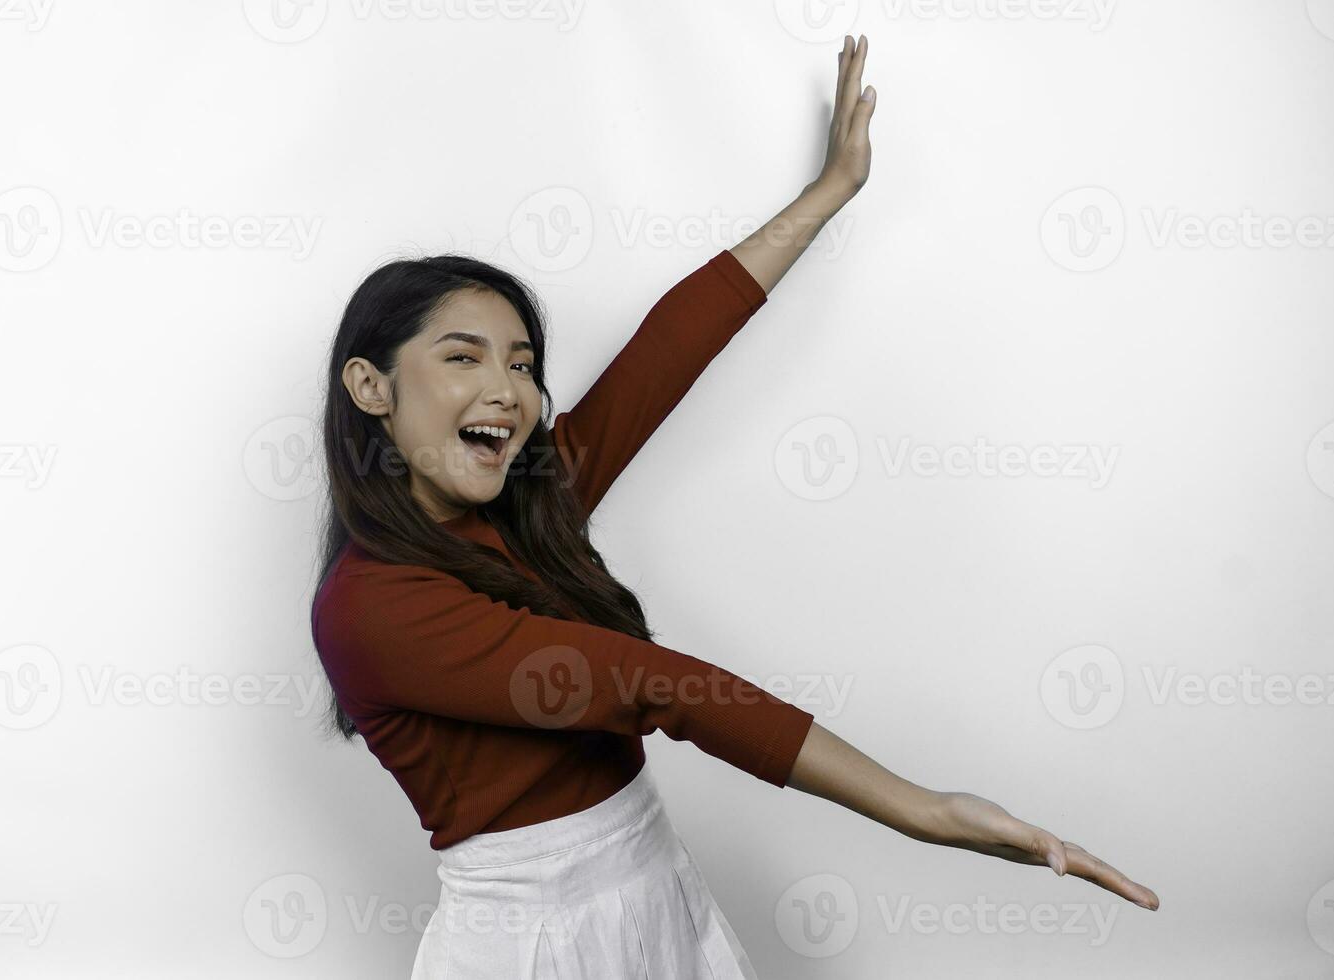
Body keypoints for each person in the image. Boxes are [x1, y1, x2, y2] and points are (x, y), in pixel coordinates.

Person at [309, 33, 1158, 979]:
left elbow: (664, 353)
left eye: (521, 363)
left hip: (653, 883)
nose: (507, 390)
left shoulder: (524, 507)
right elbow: (650, 683)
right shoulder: (370, 607)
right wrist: (919, 810)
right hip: (530, 946)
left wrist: (831, 190)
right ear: (371, 385)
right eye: (462, 357)